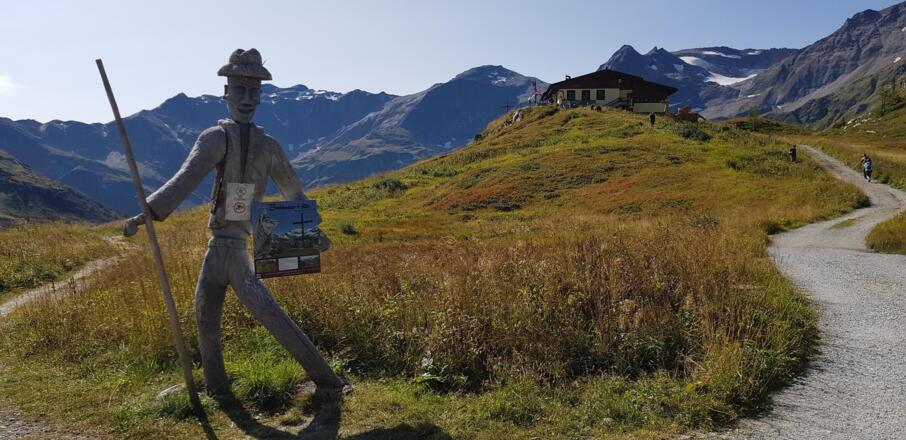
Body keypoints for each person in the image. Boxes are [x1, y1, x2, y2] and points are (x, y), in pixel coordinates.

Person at [122, 48, 347, 395]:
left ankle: (327, 380)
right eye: (239, 90)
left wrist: (312, 229)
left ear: (261, 95)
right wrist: (146, 214)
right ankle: (216, 385)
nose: (247, 98)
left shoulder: (268, 145)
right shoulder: (215, 138)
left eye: (254, 91)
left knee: (269, 314)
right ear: (225, 92)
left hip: (237, 248)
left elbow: (293, 191)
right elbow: (185, 179)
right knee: (205, 314)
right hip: (218, 248)